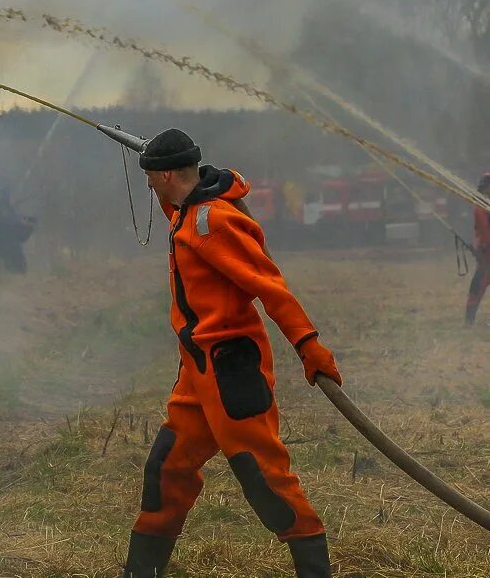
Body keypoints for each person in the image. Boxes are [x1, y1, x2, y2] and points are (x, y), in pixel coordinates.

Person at [123, 129, 341, 578]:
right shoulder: (186, 212)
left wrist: (308, 344)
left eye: (149, 176)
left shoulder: (213, 222)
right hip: (196, 374)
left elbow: (269, 287)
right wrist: (150, 153)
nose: (145, 183)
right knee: (166, 472)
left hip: (230, 371)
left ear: (166, 175)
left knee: (266, 481)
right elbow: (175, 199)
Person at [465, 172, 490, 326]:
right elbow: (483, 233)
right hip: (487, 255)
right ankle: (469, 321)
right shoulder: (481, 208)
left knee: (477, 287)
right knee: (477, 287)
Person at [0, 186, 36, 274]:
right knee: (13, 259)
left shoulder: (6, 207)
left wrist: (22, 221)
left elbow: (13, 217)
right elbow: (5, 220)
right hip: (6, 239)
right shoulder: (1, 207)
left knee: (16, 259)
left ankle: (17, 273)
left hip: (9, 238)